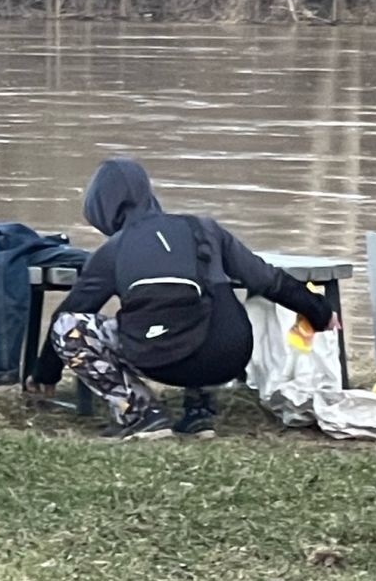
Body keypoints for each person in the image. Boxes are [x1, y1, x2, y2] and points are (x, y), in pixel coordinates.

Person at [25, 157, 339, 439]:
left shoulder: (113, 251)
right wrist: (319, 312)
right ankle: (199, 413)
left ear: (101, 208)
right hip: (228, 356)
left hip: (162, 358)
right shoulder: (204, 228)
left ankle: (141, 413)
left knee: (70, 327)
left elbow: (69, 313)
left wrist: (45, 373)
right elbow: (267, 279)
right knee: (206, 301)